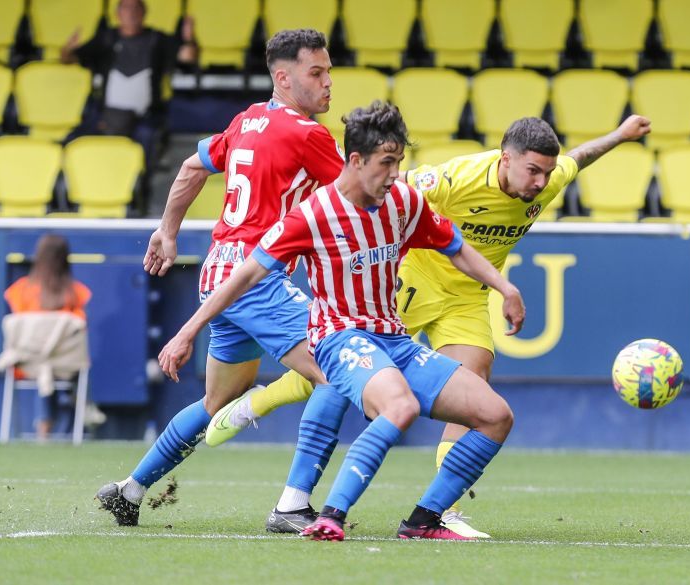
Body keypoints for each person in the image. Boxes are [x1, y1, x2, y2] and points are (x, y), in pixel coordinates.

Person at [217, 114, 653, 537]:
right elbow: (389, 192)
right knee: (336, 371)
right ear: (505, 158)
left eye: (546, 173)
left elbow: (581, 156)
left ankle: (444, 511)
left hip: (465, 298)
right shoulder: (458, 177)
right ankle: (262, 407)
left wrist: (621, 133)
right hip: (414, 282)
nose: (540, 182)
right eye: (533, 171)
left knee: (477, 384)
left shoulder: (547, 180)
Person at [158, 101, 526, 541]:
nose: (394, 174)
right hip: (338, 339)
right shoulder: (313, 214)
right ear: (356, 160)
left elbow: (455, 247)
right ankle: (330, 515)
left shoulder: (404, 202)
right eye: (386, 163)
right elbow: (246, 275)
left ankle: (423, 521)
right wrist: (187, 331)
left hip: (394, 339)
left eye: (398, 163)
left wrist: (505, 288)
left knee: (495, 414)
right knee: (400, 405)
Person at [95, 29, 350, 532]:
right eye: (316, 73)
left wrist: (167, 232)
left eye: (327, 72)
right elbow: (360, 195)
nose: (327, 85)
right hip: (258, 276)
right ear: (284, 77)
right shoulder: (309, 134)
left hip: (219, 274)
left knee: (217, 401)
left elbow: (192, 167)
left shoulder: (247, 120)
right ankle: (292, 505)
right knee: (339, 373)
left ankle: (131, 489)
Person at [60, 0, 197, 165]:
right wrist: (67, 50)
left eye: (135, 8)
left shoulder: (157, 39)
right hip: (107, 115)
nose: (131, 13)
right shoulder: (106, 38)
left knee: (145, 142)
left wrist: (189, 39)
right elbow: (70, 59)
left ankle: (140, 186)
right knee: (72, 141)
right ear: (117, 14)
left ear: (144, 13)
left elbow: (188, 57)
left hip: (145, 117)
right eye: (126, 8)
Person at [3, 234, 92, 441]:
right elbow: (79, 327)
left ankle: (43, 429)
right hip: (65, 366)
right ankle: (79, 423)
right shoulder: (75, 292)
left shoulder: (21, 290)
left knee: (45, 366)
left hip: (26, 363)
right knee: (62, 366)